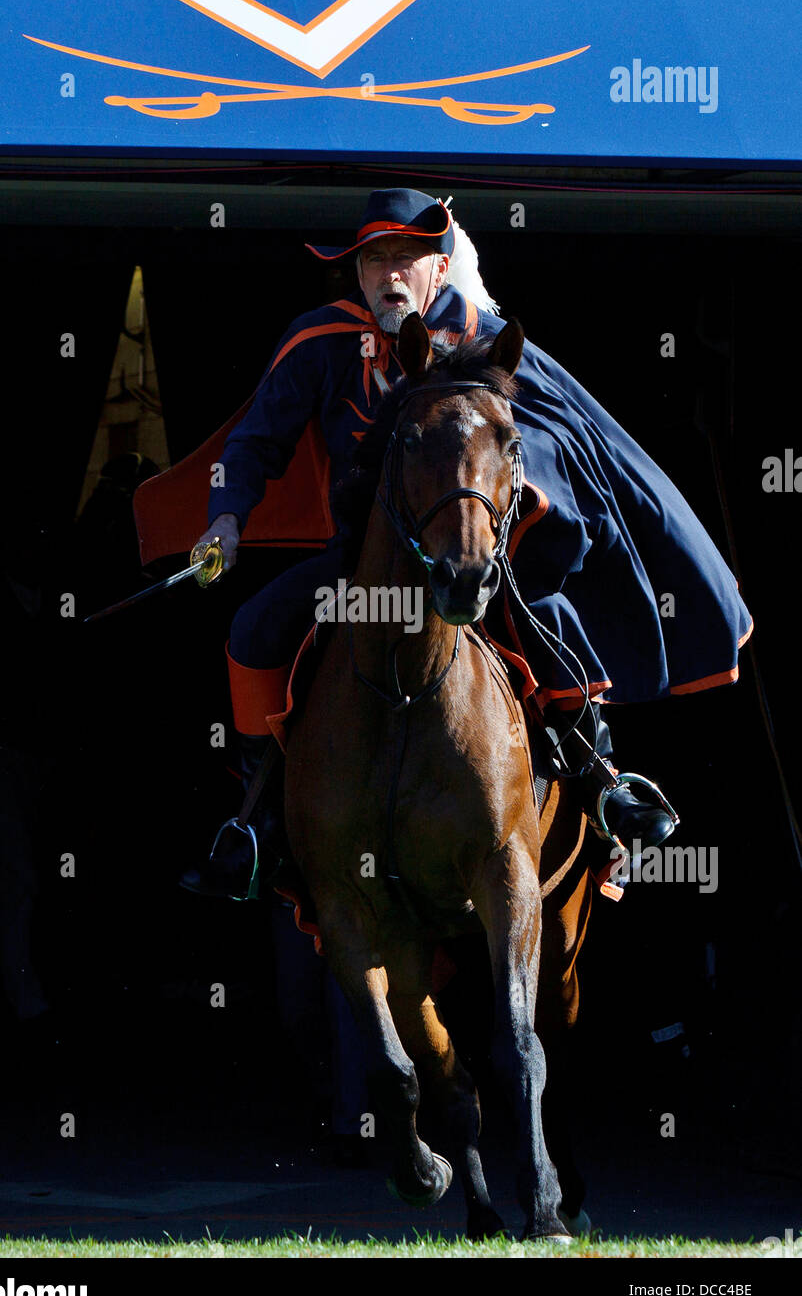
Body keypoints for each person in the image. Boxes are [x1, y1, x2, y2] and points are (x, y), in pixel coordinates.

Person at [188, 187, 752, 886]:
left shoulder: (487, 338)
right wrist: (225, 518)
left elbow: (543, 442)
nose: (388, 275)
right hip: (362, 566)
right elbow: (253, 443)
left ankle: (604, 782)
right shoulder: (318, 341)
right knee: (251, 630)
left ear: (439, 265)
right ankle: (258, 821)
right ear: (357, 274)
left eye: (406, 259)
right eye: (374, 262)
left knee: (553, 620)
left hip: (475, 562)